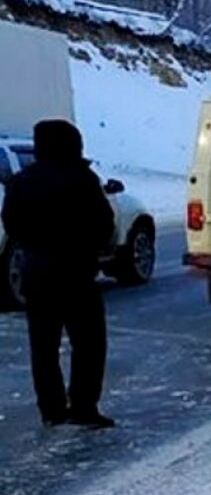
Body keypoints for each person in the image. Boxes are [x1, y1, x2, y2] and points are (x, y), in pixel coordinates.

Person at [1, 120, 116, 428]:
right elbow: (104, 223)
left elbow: (11, 223)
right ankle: (83, 406)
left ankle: (51, 409)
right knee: (89, 343)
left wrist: (35, 244)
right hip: (77, 272)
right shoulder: (82, 178)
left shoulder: (21, 181)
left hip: (37, 273)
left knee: (43, 346)